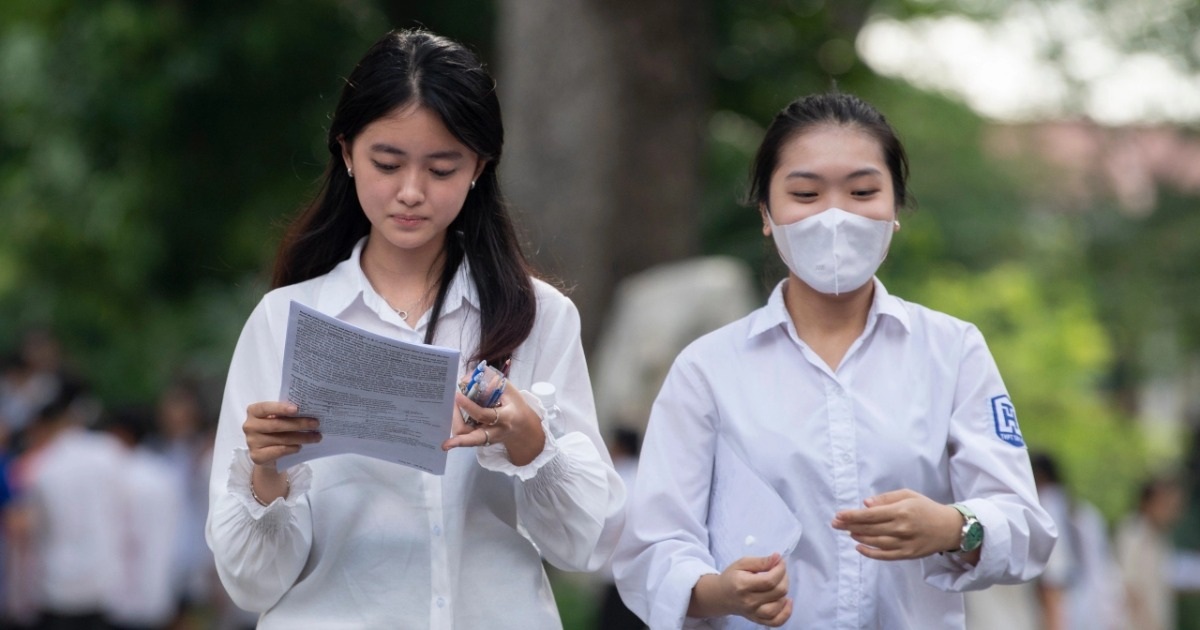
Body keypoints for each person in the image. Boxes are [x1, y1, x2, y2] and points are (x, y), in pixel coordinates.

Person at [205, 28, 625, 629]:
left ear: (479, 165)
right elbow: (249, 584)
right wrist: (266, 473)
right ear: (347, 152)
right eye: (387, 162)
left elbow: (586, 544)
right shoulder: (286, 319)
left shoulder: (538, 316)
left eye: (442, 167)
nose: (411, 192)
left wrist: (533, 445)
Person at [612, 92, 1057, 629]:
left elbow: (1027, 528)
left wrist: (953, 526)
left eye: (863, 191)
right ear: (767, 215)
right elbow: (651, 551)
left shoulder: (952, 350)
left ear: (895, 209)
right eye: (805, 193)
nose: (835, 217)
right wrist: (721, 592)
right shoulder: (707, 369)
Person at [1115, 475, 1185, 630]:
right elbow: (1129, 588)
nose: (1170, 510)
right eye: (1164, 504)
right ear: (1147, 502)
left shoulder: (1161, 538)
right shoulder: (1133, 533)